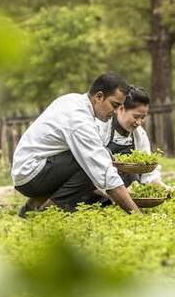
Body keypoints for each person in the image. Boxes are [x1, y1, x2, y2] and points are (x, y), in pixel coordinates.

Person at [11, 73, 140, 215]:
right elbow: (103, 171)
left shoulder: (73, 100)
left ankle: (30, 209)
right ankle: (48, 214)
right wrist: (137, 215)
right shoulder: (79, 120)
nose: (115, 112)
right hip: (31, 174)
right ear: (98, 97)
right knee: (90, 164)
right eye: (114, 105)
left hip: (28, 170)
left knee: (96, 159)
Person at [94, 85, 171, 198]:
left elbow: (148, 175)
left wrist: (165, 189)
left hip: (130, 192)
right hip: (101, 191)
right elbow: (93, 170)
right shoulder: (101, 128)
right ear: (121, 109)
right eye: (136, 117)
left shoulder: (140, 135)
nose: (139, 122)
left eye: (143, 117)